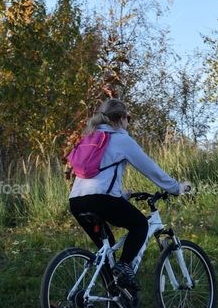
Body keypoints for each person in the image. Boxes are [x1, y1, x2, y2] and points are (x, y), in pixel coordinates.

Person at [68, 98, 189, 295]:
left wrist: (121, 195)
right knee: (140, 225)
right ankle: (125, 266)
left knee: (106, 253)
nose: (128, 123)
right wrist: (176, 188)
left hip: (77, 201)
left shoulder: (90, 137)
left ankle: (114, 300)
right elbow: (151, 169)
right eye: (129, 118)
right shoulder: (121, 139)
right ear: (122, 118)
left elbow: (95, 175)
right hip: (101, 199)